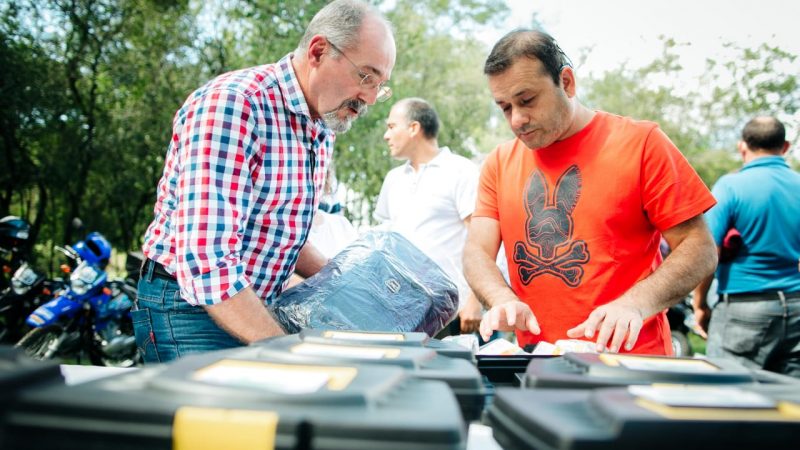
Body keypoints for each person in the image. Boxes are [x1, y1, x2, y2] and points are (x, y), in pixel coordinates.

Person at [133, 0, 396, 363]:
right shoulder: (234, 106)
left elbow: (280, 232)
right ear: (319, 51)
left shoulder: (321, 125)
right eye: (365, 77)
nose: (369, 98)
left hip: (252, 305)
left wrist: (352, 286)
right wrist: (287, 352)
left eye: (380, 86)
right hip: (189, 308)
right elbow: (208, 260)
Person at [464, 29, 718, 355]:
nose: (517, 119)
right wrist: (500, 297)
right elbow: (476, 252)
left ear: (566, 82)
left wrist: (635, 305)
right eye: (504, 107)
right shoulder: (499, 162)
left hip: (631, 364)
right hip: (539, 364)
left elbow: (699, 248)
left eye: (526, 100)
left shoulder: (642, 144)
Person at [693, 117, 800, 376]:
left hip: (744, 308)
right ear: (785, 146)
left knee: (728, 395)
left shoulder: (731, 186)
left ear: (742, 147)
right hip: (797, 307)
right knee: (791, 403)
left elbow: (708, 249)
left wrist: (700, 304)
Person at [374, 98, 484, 334]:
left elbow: (481, 239)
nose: (386, 135)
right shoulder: (393, 179)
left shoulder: (460, 171)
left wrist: (475, 300)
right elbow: (385, 241)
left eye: (392, 126)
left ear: (414, 128)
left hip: (449, 310)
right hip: (398, 309)